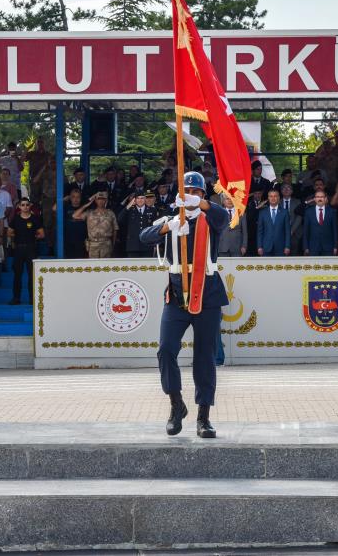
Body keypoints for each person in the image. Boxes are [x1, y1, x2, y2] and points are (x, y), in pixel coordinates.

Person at [140, 171, 230, 439]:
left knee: (205, 356)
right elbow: (145, 235)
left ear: (203, 195)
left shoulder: (210, 218)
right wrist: (168, 227)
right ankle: (176, 405)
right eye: (187, 191)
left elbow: (224, 217)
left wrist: (199, 205)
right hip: (177, 293)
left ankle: (204, 417)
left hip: (207, 293)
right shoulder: (170, 219)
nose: (191, 195)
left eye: (196, 192)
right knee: (166, 350)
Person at [7, 198, 43, 305]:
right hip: (18, 248)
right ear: (19, 206)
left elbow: (42, 234)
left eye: (27, 205)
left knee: (32, 275)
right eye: (23, 205)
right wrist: (17, 235)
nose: (25, 207)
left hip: (31, 248)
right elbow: (9, 232)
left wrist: (33, 236)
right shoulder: (16, 219)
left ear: (30, 205)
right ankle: (16, 298)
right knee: (17, 275)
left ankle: (32, 299)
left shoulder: (35, 219)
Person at [118, 192, 158, 258]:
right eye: (138, 198)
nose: (140, 200)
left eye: (142, 198)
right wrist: (128, 206)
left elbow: (155, 227)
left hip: (147, 245)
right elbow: (120, 219)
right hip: (133, 245)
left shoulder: (152, 210)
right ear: (135, 200)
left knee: (147, 266)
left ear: (145, 199)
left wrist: (155, 244)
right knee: (133, 267)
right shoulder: (130, 210)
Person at [79, 191, 118, 259]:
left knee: (106, 267)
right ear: (95, 200)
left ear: (106, 200)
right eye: (98, 199)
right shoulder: (89, 213)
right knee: (93, 267)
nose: (100, 201)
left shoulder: (110, 213)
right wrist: (86, 205)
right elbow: (75, 216)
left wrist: (113, 244)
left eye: (103, 199)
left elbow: (115, 229)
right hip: (93, 244)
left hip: (106, 244)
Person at [257, 188, 290, 257]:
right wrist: (259, 246)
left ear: (278, 198)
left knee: (280, 267)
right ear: (268, 198)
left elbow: (287, 231)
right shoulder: (262, 213)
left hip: (281, 247)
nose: (273, 198)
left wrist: (287, 246)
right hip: (266, 247)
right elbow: (260, 231)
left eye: (275, 196)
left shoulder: (284, 212)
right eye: (271, 196)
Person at [303, 190, 337, 255]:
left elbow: (335, 231)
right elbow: (306, 231)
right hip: (313, 247)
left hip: (328, 247)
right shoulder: (308, 212)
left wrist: (335, 246)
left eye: (322, 197)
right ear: (315, 199)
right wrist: (305, 247)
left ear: (325, 199)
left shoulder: (332, 212)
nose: (320, 199)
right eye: (318, 197)